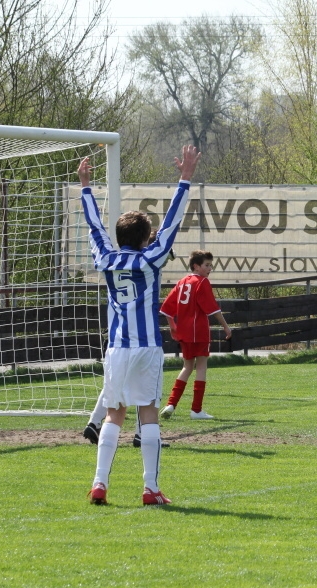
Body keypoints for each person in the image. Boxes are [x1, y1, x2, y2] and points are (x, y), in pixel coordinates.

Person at [81, 145, 201, 506]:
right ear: (146, 237)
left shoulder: (105, 258)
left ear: (120, 237)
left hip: (117, 348)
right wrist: (184, 180)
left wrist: (86, 188)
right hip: (146, 346)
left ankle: (99, 483)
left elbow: (93, 226)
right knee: (147, 411)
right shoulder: (151, 259)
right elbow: (173, 223)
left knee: (114, 414)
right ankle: (150, 488)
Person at [82, 234, 173, 449]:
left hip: (120, 333)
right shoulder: (146, 264)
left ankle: (95, 423)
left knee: (117, 386)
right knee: (143, 390)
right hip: (138, 335)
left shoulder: (118, 263)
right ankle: (141, 434)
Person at [158, 250, 232, 420]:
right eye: (207, 265)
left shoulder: (182, 282)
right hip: (198, 332)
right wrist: (226, 327)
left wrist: (173, 327)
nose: (210, 268)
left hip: (184, 332)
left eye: (211, 265)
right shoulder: (202, 282)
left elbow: (166, 308)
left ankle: (171, 404)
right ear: (196, 266)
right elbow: (213, 308)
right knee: (201, 367)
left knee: (187, 367)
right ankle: (196, 410)